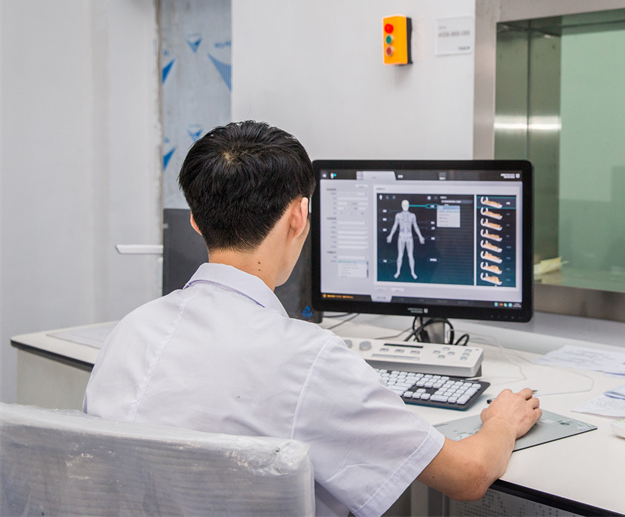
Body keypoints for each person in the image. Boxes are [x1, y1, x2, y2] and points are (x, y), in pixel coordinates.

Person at [83, 121, 541, 517]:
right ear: (300, 216)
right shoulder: (306, 358)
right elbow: (467, 477)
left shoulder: (132, 330)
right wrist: (501, 422)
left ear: (196, 222)